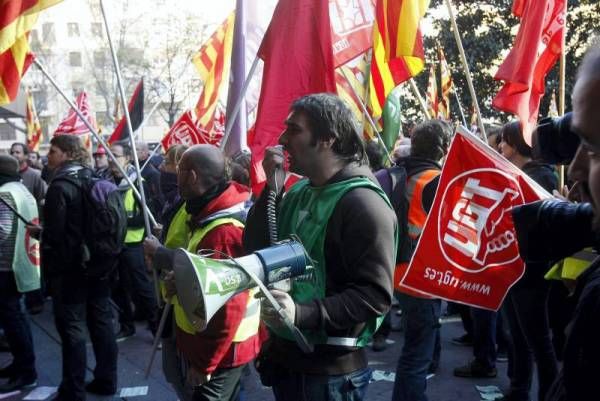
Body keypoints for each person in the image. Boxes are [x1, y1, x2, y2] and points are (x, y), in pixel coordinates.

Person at [243, 93, 397, 401]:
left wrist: (301, 313)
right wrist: (270, 194)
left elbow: (374, 296)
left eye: (294, 129)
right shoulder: (299, 190)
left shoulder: (362, 204)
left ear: (327, 138)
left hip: (328, 373)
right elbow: (257, 248)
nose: (283, 139)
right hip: (290, 361)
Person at [144, 145, 260, 401]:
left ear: (192, 176)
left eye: (179, 170)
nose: (173, 175)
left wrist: (205, 364)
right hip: (212, 346)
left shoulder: (222, 232)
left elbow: (228, 308)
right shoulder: (206, 214)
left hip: (218, 352)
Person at [379, 120, 451, 401]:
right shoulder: (435, 180)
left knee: (416, 344)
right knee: (414, 356)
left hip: (397, 270)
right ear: (444, 148)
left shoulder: (398, 173)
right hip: (422, 275)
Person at [42, 135, 117, 401]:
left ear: (67, 153)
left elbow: (55, 234)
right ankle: (107, 380)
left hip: (70, 270)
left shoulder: (59, 186)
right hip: (101, 266)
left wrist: (41, 235)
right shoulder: (98, 179)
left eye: (52, 151)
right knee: (101, 323)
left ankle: (73, 390)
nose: (48, 156)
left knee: (72, 329)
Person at [495, 121, 558, 401]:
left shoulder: (539, 178)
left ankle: (548, 393)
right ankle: (519, 389)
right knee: (517, 336)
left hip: (531, 272)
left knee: (538, 341)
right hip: (515, 269)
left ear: (519, 145)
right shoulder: (519, 174)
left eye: (505, 142)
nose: (500, 147)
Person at [109, 142, 158, 340]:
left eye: (115, 155)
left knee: (142, 287)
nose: (111, 160)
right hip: (112, 244)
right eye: (109, 155)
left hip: (134, 244)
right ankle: (126, 325)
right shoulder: (105, 180)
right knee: (117, 286)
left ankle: (157, 329)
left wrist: (119, 219)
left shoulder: (139, 182)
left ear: (128, 158)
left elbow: (148, 216)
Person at [0, 155, 40, 393]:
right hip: (20, 262)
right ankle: (21, 364)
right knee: (17, 318)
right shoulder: (20, 189)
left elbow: (2, 230)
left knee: (13, 320)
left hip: (6, 265)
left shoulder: (5, 193)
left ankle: (26, 371)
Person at [136, 141, 165, 219]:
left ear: (144, 152)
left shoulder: (152, 172)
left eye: (136, 149)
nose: (132, 152)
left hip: (148, 215)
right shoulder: (132, 168)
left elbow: (157, 197)